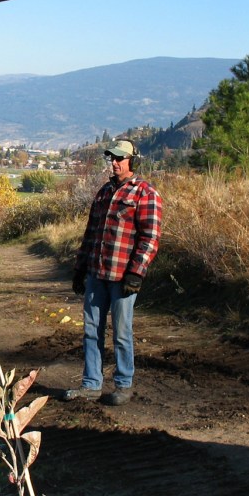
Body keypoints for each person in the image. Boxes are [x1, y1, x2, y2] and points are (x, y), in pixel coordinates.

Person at [64, 139, 162, 406]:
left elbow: (150, 237)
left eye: (121, 158)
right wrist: (80, 268)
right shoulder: (105, 192)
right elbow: (91, 233)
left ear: (133, 161)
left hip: (123, 277)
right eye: (112, 158)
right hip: (97, 273)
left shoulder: (145, 193)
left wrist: (136, 272)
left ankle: (123, 384)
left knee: (121, 331)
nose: (115, 162)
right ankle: (91, 384)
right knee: (91, 330)